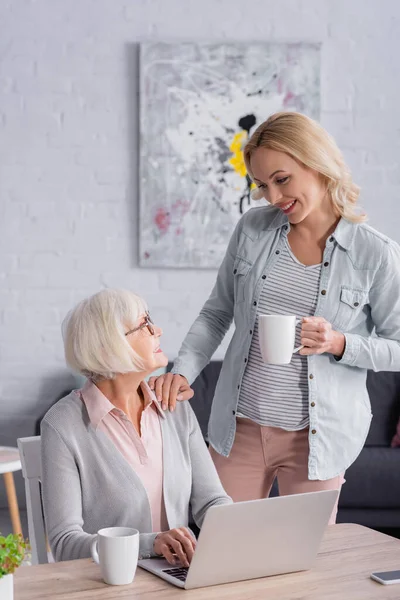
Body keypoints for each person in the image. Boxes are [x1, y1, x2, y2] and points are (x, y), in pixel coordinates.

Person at [149, 111, 400, 524]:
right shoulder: (253, 229)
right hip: (239, 430)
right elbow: (217, 312)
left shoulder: (375, 254)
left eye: (281, 180)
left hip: (318, 441)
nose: (272, 196)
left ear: (317, 164)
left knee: (304, 572)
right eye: (262, 185)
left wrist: (339, 344)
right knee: (222, 556)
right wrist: (183, 372)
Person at [41, 289, 231, 563]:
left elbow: (212, 501)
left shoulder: (173, 407)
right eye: (144, 325)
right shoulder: (62, 425)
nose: (158, 330)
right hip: (109, 584)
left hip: (179, 578)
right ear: (109, 346)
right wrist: (151, 544)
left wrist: (238, 528)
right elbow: (65, 543)